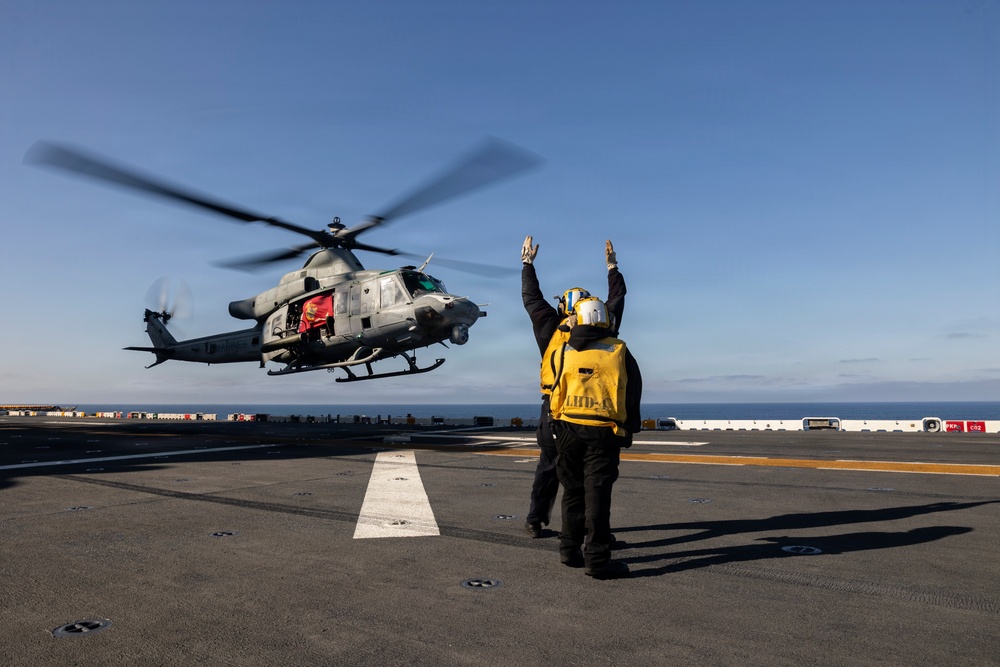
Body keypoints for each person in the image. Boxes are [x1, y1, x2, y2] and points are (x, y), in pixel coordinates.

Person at [520, 236, 626, 538]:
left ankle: (536, 520)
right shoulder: (604, 329)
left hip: (553, 413)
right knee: (591, 479)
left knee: (550, 467)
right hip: (596, 417)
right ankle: (592, 534)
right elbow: (617, 299)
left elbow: (531, 299)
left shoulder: (549, 329)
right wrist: (612, 267)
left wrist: (527, 265)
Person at [547, 296, 642, 579]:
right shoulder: (619, 350)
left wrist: (556, 426)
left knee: (572, 492)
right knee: (597, 496)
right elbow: (633, 393)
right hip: (603, 432)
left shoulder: (563, 349)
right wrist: (629, 432)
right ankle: (597, 559)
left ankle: (568, 549)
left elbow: (554, 388)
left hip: (567, 429)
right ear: (604, 319)